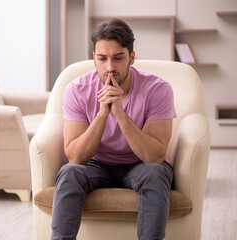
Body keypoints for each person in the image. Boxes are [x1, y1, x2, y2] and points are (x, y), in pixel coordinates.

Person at [51, 18, 176, 240]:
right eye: (102, 59)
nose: (110, 67)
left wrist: (119, 113)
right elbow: (76, 157)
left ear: (132, 58)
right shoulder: (77, 90)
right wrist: (102, 114)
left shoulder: (158, 89)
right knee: (69, 173)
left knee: (157, 173)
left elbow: (154, 156)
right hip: (96, 164)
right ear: (94, 59)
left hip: (140, 164)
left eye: (118, 58)